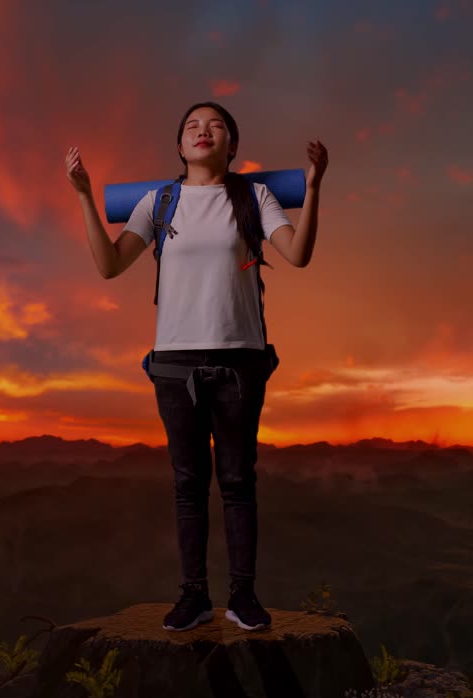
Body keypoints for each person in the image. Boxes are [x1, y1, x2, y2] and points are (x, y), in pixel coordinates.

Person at [64, 101, 328, 632]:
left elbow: (298, 255)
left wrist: (314, 187)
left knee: (237, 481)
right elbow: (110, 266)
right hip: (174, 361)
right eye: (192, 126)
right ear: (180, 147)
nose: (203, 131)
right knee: (188, 484)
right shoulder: (158, 202)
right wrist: (85, 197)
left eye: (215, 125)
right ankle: (194, 597)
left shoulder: (253, 197)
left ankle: (243, 597)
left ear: (233, 144)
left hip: (241, 357)